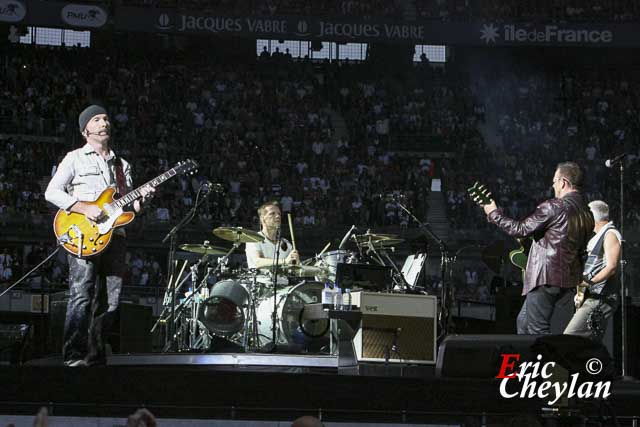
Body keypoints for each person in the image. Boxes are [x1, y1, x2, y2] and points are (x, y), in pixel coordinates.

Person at [44, 104, 154, 367]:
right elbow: (52, 192)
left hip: (115, 236)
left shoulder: (122, 165)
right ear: (86, 130)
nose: (104, 122)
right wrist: (83, 207)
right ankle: (73, 356)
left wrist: (143, 201)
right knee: (81, 294)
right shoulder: (74, 158)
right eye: (96, 119)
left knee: (111, 301)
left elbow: (127, 208)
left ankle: (94, 357)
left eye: (106, 118)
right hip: (84, 234)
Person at [479, 162, 594, 334]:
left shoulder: (554, 207)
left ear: (563, 182)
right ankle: (531, 359)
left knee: (536, 330)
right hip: (568, 279)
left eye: (554, 181)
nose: (553, 185)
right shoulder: (586, 213)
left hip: (546, 276)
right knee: (523, 323)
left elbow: (521, 229)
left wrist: (493, 213)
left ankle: (545, 361)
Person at [564, 200, 621, 341]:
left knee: (569, 339)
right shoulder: (597, 237)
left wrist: (588, 282)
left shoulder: (610, 234)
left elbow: (612, 266)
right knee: (586, 344)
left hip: (601, 297)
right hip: (593, 296)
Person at [245, 200, 299, 269]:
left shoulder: (286, 243)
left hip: (283, 280)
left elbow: (294, 269)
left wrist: (295, 263)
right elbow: (257, 262)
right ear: (262, 219)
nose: (277, 216)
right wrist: (284, 261)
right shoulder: (253, 238)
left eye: (279, 214)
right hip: (261, 279)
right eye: (272, 213)